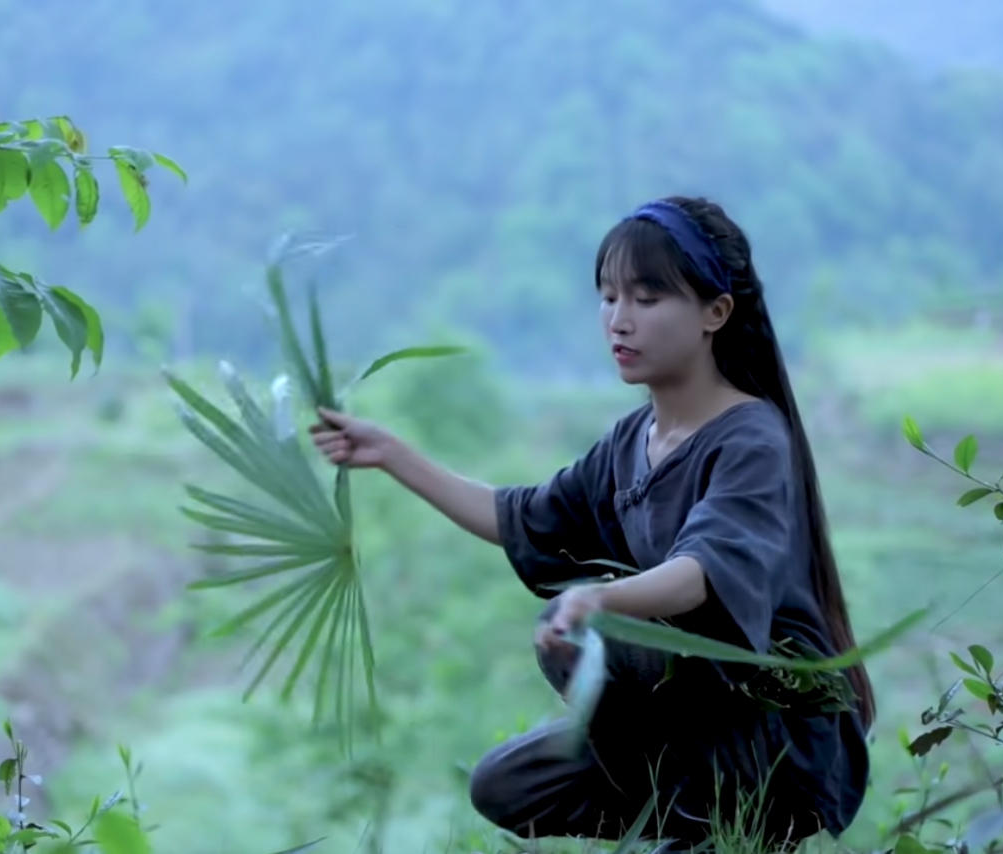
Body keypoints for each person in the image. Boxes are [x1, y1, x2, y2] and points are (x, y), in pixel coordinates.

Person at [308, 196, 872, 851]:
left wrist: (600, 597)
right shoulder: (633, 441)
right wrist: (390, 453)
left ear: (716, 312)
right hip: (682, 732)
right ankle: (692, 827)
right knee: (503, 784)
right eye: (608, 298)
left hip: (767, 726)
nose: (619, 321)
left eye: (647, 298)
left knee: (587, 637)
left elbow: (700, 573)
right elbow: (523, 516)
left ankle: (724, 826)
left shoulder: (750, 437)